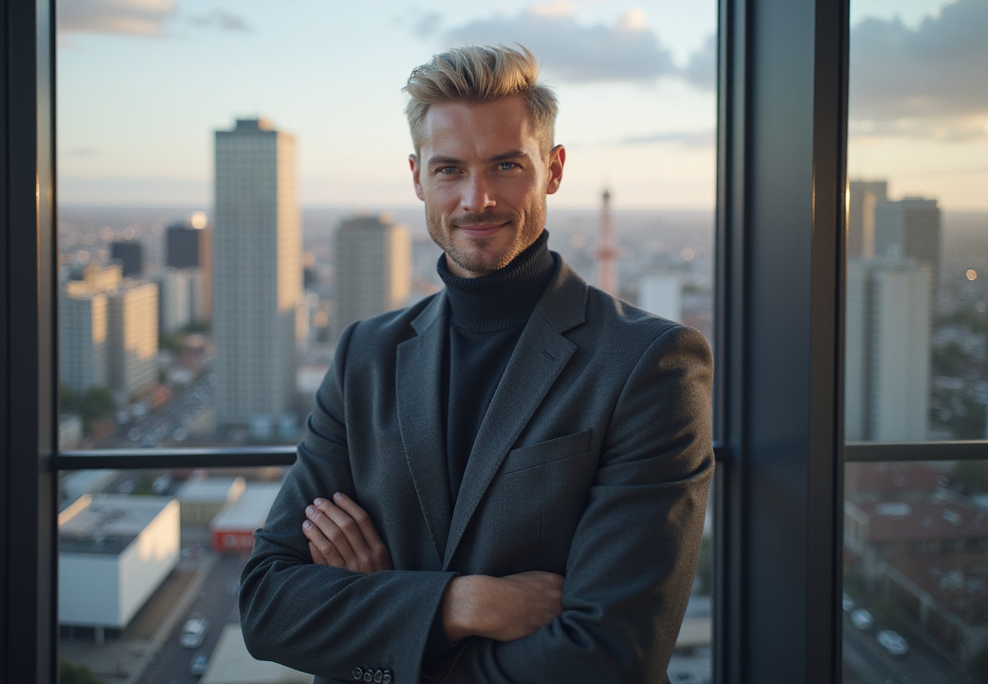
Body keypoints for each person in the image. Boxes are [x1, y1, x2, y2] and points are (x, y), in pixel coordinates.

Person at [240, 44, 714, 684]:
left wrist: (395, 617)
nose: (477, 198)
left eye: (506, 165)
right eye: (449, 170)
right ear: (417, 178)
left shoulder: (650, 365)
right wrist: (462, 604)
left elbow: (610, 656)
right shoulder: (364, 357)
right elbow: (268, 603)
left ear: (553, 168)